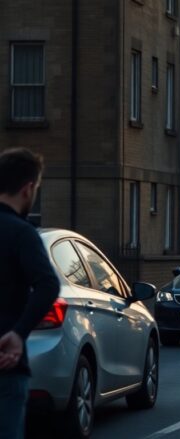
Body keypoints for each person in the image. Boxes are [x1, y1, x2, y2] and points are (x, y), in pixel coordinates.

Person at [0, 148, 60, 439]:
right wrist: (18, 333)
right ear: (27, 189)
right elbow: (48, 284)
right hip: (5, 364)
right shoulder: (21, 233)